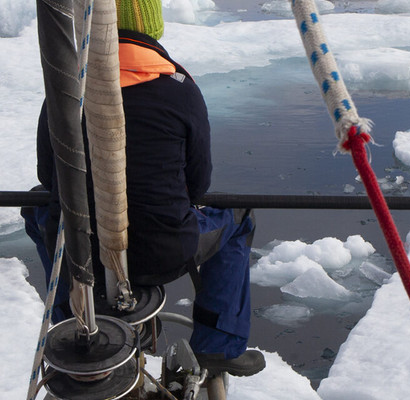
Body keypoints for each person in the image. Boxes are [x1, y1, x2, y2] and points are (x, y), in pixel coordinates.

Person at [21, 0, 266, 377]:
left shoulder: (66, 90)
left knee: (37, 206)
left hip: (77, 254)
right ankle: (219, 345)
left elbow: (49, 176)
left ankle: (69, 321)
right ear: (151, 25)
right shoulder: (180, 90)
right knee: (238, 218)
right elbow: (199, 186)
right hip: (163, 252)